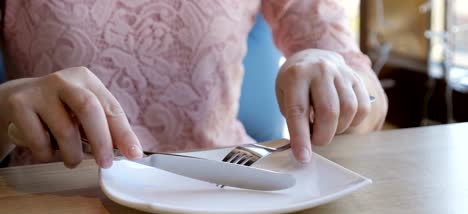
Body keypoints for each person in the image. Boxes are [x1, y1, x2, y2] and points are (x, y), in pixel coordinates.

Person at [0, 0, 387, 168]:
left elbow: (370, 96)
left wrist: (333, 71)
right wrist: (8, 105)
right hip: (56, 201)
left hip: (225, 193)